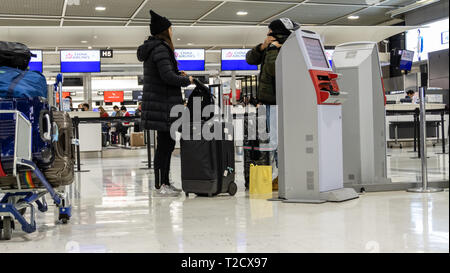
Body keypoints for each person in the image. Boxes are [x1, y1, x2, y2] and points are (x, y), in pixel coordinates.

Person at [137, 10, 194, 197]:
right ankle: (161, 185)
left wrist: (179, 76)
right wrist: (187, 80)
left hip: (162, 105)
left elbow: (165, 75)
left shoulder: (154, 48)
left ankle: (164, 183)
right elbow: (167, 76)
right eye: (171, 28)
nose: (172, 32)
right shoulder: (161, 48)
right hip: (163, 107)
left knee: (166, 146)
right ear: (164, 30)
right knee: (164, 147)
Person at [245, 18, 298, 190]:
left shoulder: (284, 48)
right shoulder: (269, 47)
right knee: (271, 142)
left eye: (268, 31)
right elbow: (250, 59)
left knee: (275, 142)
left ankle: (280, 177)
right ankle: (277, 177)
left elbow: (273, 70)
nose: (266, 34)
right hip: (268, 104)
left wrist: (274, 49)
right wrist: (263, 46)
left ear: (275, 33)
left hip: (277, 103)